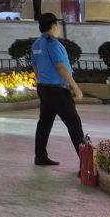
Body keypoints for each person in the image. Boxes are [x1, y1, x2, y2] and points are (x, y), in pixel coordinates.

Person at [31, 12, 86, 166]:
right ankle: (86, 164)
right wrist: (76, 88)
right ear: (54, 25)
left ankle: (40, 156)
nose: (59, 27)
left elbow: (35, 66)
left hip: (44, 89)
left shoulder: (36, 44)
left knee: (44, 123)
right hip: (58, 91)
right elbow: (60, 66)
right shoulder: (52, 43)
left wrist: (41, 80)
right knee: (74, 125)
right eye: (58, 24)